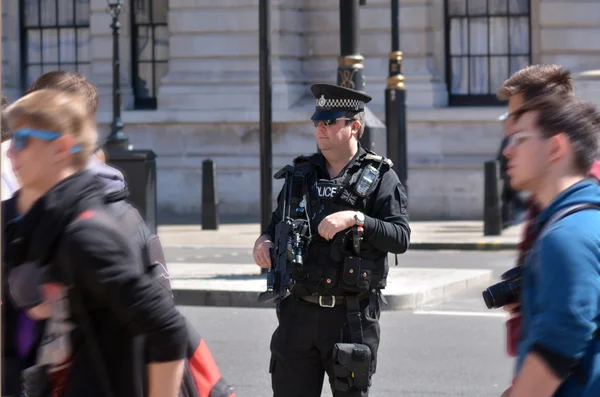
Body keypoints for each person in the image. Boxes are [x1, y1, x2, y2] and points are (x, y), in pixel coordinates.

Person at [3, 88, 188, 397]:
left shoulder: (86, 234)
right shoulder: (43, 222)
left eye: (22, 141)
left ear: (61, 148)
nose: (10, 152)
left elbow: (167, 329)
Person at [253, 83, 410, 397]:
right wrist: (264, 242)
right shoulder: (301, 174)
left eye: (329, 122)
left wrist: (356, 218)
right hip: (298, 311)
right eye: (317, 122)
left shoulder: (379, 177)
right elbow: (275, 223)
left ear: (354, 127)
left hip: (349, 318)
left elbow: (400, 237)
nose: (320, 129)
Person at [494, 65, 600, 397]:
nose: (507, 145)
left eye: (520, 130)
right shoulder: (559, 203)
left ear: (555, 146)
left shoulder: (568, 230)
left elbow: (562, 341)